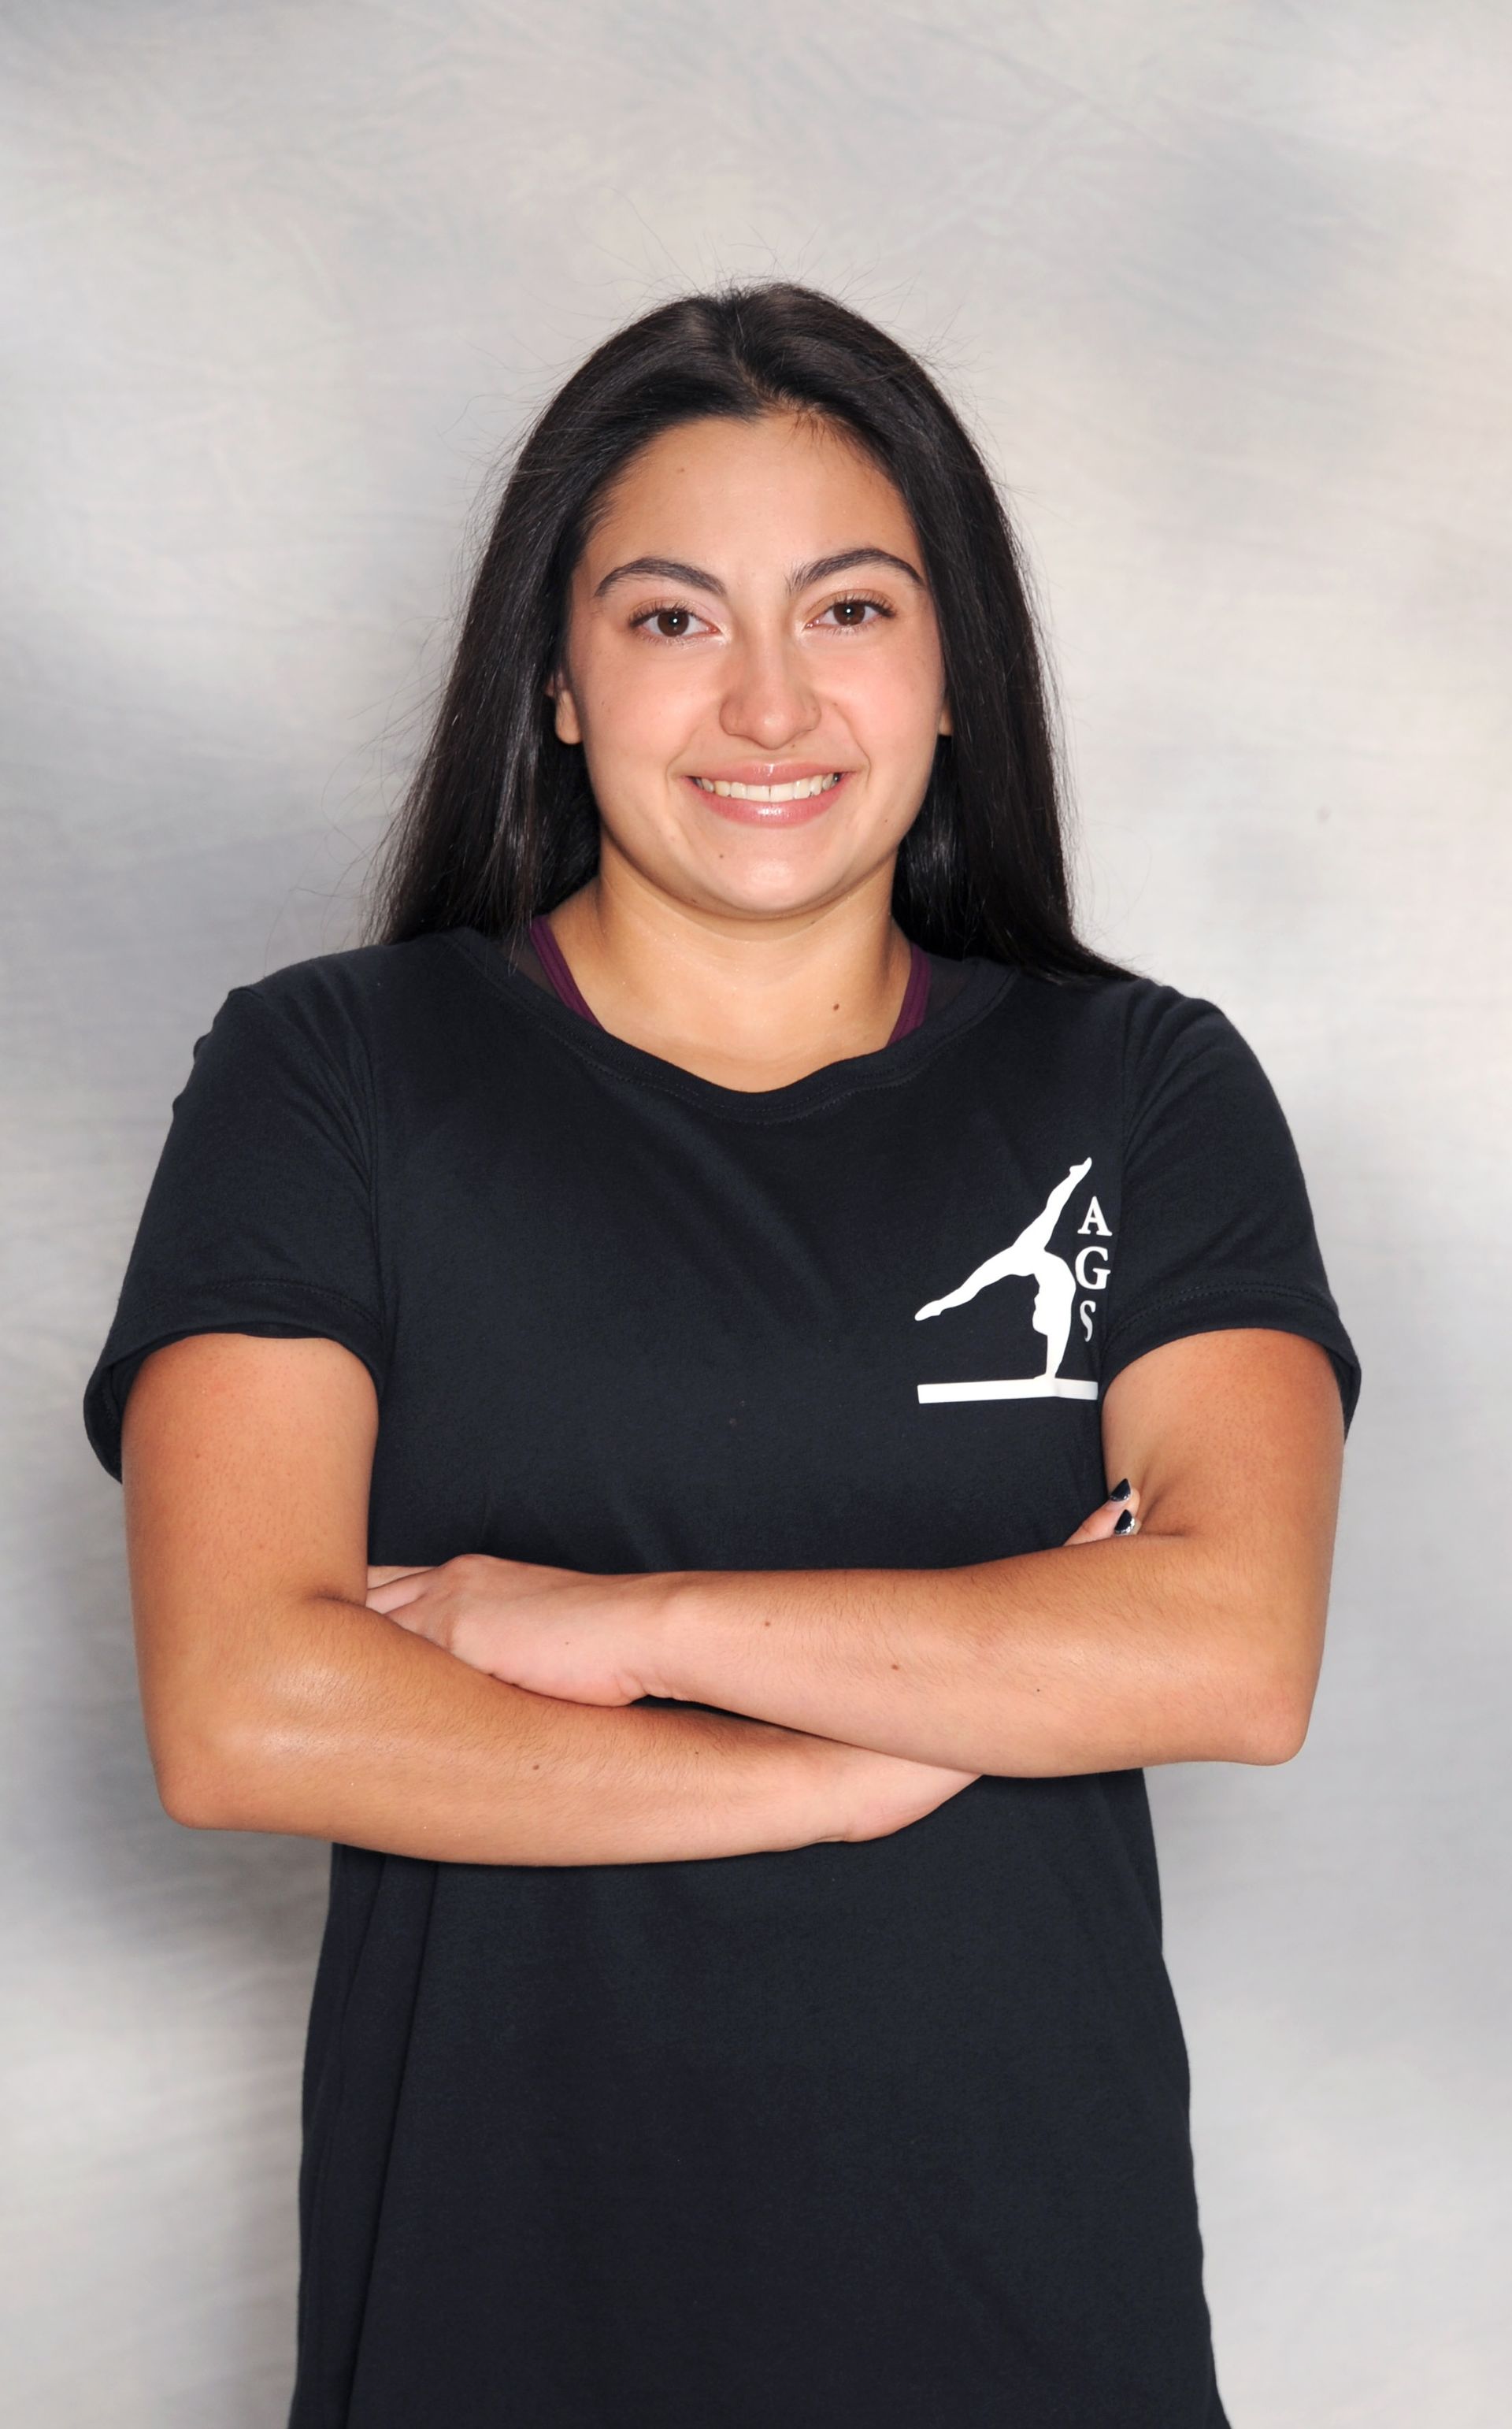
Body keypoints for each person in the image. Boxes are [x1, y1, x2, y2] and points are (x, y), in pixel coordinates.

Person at [83, 280, 1358, 2429]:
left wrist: (602, 1622)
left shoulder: (1139, 1088)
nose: (768, 700)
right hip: (499, 2323)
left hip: (1029, 2332)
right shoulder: (334, 1077)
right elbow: (244, 1703)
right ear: (559, 684)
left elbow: (1231, 1641)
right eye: (672, 620)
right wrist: (847, 1768)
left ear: (953, 670)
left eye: (848, 609)